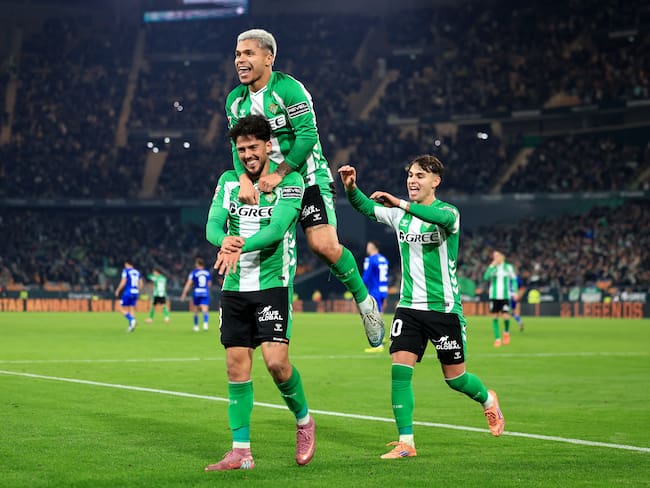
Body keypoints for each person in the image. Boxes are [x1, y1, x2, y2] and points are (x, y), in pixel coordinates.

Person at [225, 28, 383, 348]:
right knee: (264, 247)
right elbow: (236, 145)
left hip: (306, 177)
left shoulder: (290, 90)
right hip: (265, 185)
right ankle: (268, 329)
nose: (240, 60)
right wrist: (244, 178)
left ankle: (366, 303)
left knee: (323, 245)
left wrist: (281, 173)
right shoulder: (234, 101)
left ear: (269, 58)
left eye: (248, 54)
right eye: (238, 55)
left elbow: (308, 136)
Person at [338, 155, 505, 460]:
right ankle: (406, 442)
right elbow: (365, 207)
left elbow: (439, 220)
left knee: (455, 378)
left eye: (420, 176)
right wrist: (351, 187)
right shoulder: (399, 216)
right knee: (400, 372)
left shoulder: (448, 213)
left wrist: (399, 203)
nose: (412, 181)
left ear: (435, 181)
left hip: (443, 309)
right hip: (409, 307)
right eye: (410, 175)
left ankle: (487, 399)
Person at [204, 114, 315, 471]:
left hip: (272, 284)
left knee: (276, 364)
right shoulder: (228, 181)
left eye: (254, 147)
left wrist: (240, 246)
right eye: (242, 149)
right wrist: (224, 240)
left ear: (268, 145)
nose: (248, 154)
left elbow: (278, 229)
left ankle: (303, 421)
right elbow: (212, 225)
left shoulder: (291, 181)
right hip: (235, 287)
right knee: (237, 368)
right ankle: (241, 452)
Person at [483, 250, 518, 346]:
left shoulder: (508, 267)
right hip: (494, 296)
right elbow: (485, 277)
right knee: (494, 317)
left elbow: (514, 280)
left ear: (502, 256)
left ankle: (506, 333)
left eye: (497, 255)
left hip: (505, 296)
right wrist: (491, 266)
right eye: (494, 256)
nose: (495, 258)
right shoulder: (493, 268)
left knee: (506, 316)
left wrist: (515, 292)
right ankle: (497, 339)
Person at [362, 241, 390, 353]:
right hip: (383, 289)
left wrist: (360, 290)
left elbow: (366, 277)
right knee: (379, 314)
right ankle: (382, 338)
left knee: (373, 316)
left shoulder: (371, 260)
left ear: (372, 247)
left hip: (375, 290)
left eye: (368, 246)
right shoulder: (384, 259)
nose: (367, 248)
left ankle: (378, 345)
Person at [180, 257, 212, 332]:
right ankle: (205, 324)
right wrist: (207, 289)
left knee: (196, 309)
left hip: (197, 292)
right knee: (205, 309)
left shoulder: (194, 273)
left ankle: (196, 326)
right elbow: (209, 284)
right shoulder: (207, 273)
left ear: (197, 264)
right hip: (205, 291)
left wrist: (184, 293)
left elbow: (189, 283)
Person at [114, 259, 143, 333]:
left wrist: (118, 290)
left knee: (120, 308)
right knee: (131, 308)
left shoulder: (126, 271)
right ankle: (131, 327)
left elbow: (123, 282)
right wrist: (137, 290)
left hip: (128, 291)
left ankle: (132, 320)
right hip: (135, 291)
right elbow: (141, 284)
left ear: (127, 264)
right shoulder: (137, 272)